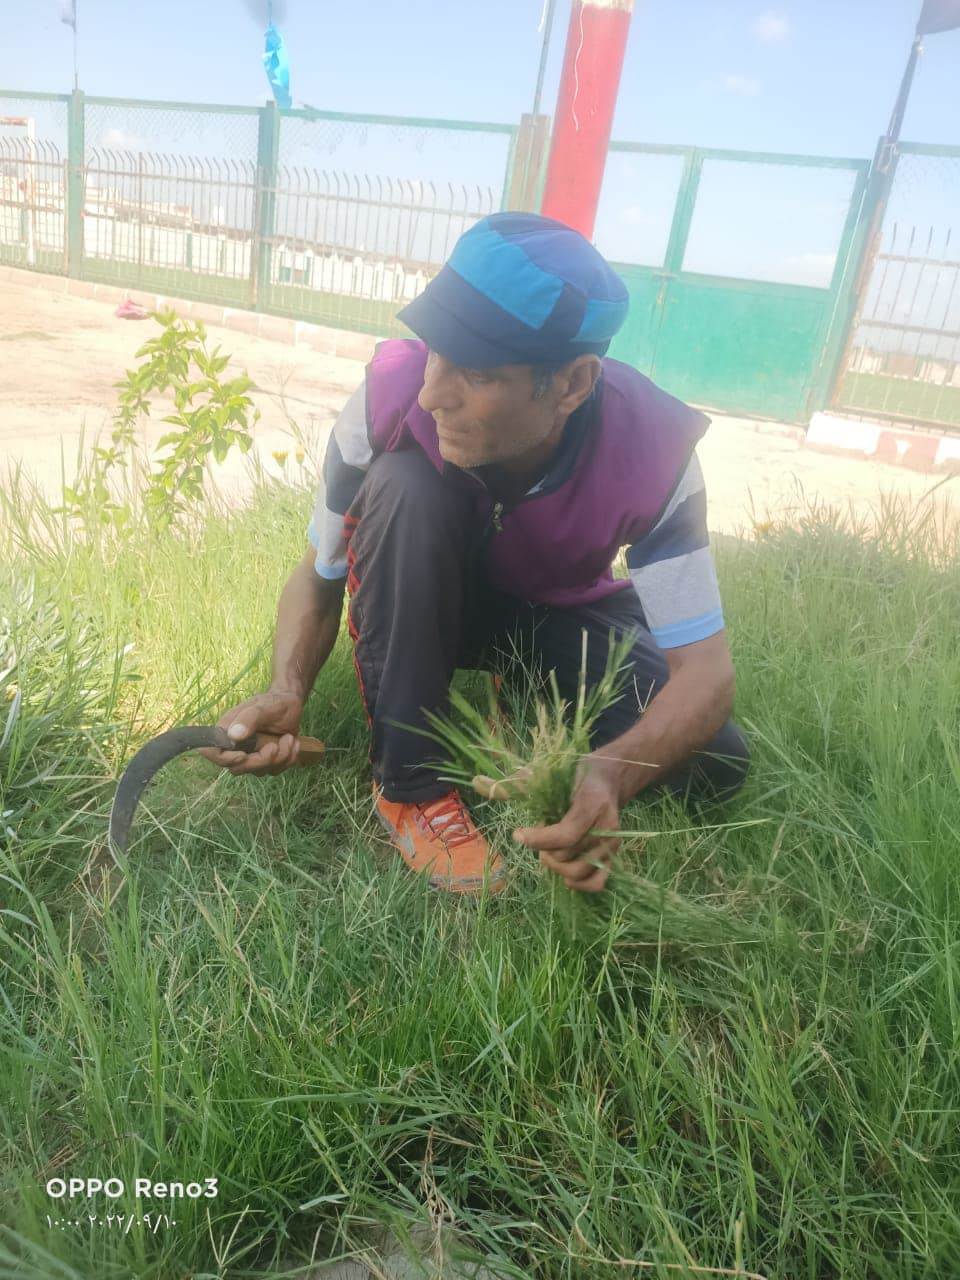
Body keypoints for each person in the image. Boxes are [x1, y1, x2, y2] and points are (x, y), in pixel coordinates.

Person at [200, 212, 750, 897]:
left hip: (552, 612)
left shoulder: (655, 452)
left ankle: (518, 700)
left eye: (477, 373)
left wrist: (611, 771)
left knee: (714, 760)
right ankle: (410, 786)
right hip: (419, 593)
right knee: (405, 485)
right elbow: (319, 578)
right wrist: (288, 689)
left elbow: (705, 675)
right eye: (436, 352)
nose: (432, 393)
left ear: (572, 384)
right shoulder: (386, 399)